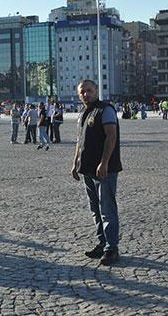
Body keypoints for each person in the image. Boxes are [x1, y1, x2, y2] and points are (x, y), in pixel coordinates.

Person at [71, 79, 122, 266]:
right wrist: (75, 163)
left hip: (104, 169)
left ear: (96, 90)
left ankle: (112, 249)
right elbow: (79, 140)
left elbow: (111, 136)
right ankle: (102, 243)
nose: (86, 94)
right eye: (82, 91)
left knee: (107, 209)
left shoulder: (105, 110)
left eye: (89, 90)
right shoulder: (83, 113)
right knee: (95, 209)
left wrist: (104, 162)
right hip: (87, 169)